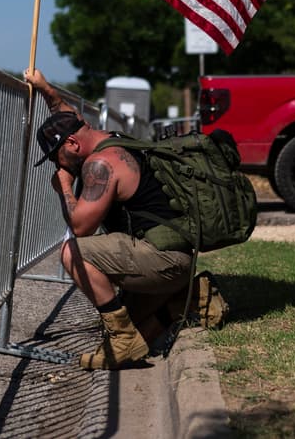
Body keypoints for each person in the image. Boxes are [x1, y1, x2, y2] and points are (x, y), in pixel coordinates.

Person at [25, 67, 194, 370]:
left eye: (55, 156)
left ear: (72, 145)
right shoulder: (107, 137)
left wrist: (63, 185)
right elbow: (67, 116)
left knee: (72, 253)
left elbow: (80, 227)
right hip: (173, 254)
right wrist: (46, 89)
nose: (57, 163)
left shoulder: (101, 165)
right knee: (140, 329)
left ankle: (122, 336)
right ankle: (191, 298)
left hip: (163, 259)